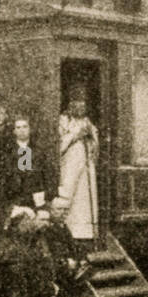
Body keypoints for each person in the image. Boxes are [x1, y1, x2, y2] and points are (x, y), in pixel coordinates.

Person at [58, 95, 99, 243]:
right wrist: (75, 135)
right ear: (71, 104)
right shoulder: (63, 120)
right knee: (69, 193)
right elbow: (59, 145)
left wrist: (92, 138)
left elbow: (95, 142)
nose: (81, 108)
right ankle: (69, 230)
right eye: (77, 104)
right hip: (70, 163)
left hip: (86, 164)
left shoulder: (87, 121)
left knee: (84, 198)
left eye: (83, 105)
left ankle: (86, 232)